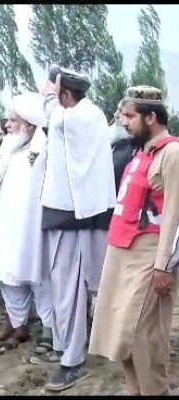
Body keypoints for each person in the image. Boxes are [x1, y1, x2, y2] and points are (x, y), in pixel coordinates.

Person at [89, 86, 179, 396]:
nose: (124, 122)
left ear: (151, 117)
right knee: (121, 335)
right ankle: (134, 391)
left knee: (144, 335)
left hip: (151, 256)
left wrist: (164, 265)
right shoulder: (139, 153)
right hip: (123, 254)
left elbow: (174, 215)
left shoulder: (172, 153)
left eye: (130, 116)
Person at [39, 68, 116, 391]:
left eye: (57, 92)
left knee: (69, 292)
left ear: (64, 93)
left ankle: (72, 360)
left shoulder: (79, 116)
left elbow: (53, 118)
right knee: (78, 290)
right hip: (78, 215)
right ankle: (76, 349)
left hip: (76, 218)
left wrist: (47, 95)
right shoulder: (90, 113)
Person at [0, 92, 52, 356]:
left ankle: (49, 333)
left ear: (30, 123)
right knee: (8, 277)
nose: (7, 125)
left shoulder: (45, 148)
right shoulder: (9, 147)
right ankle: (17, 327)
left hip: (33, 228)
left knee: (40, 280)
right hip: (6, 226)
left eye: (13, 120)